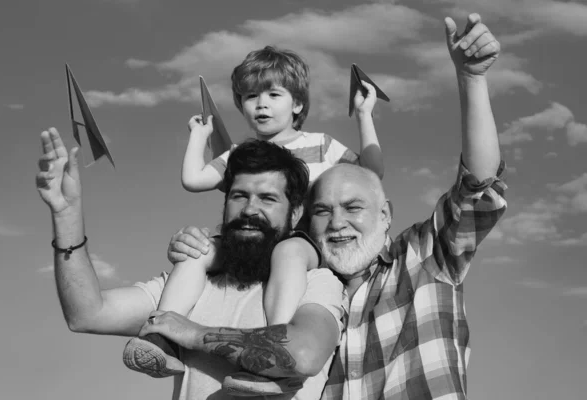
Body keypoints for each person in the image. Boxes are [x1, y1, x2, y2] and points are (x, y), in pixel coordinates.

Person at [167, 13, 508, 399]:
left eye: (353, 207)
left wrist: (472, 80)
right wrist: (194, 250)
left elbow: (477, 184)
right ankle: (164, 339)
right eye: (322, 210)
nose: (337, 222)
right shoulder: (314, 301)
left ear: (386, 215)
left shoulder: (421, 259)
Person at [123, 44, 385, 379]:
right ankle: (161, 337)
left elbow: (371, 171)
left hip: (299, 240)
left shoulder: (321, 144)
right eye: (250, 96)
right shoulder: (238, 154)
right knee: (197, 251)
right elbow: (194, 179)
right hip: (249, 241)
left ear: (298, 104)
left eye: (274, 94)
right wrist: (198, 136)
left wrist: (364, 115)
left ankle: (273, 355)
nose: (261, 104)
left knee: (288, 252)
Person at [36, 136, 345, 399]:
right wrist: (66, 215)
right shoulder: (191, 282)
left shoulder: (315, 282)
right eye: (239, 196)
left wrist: (194, 334)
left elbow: (303, 355)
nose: (250, 209)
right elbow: (86, 314)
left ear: (295, 214)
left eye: (267, 199)